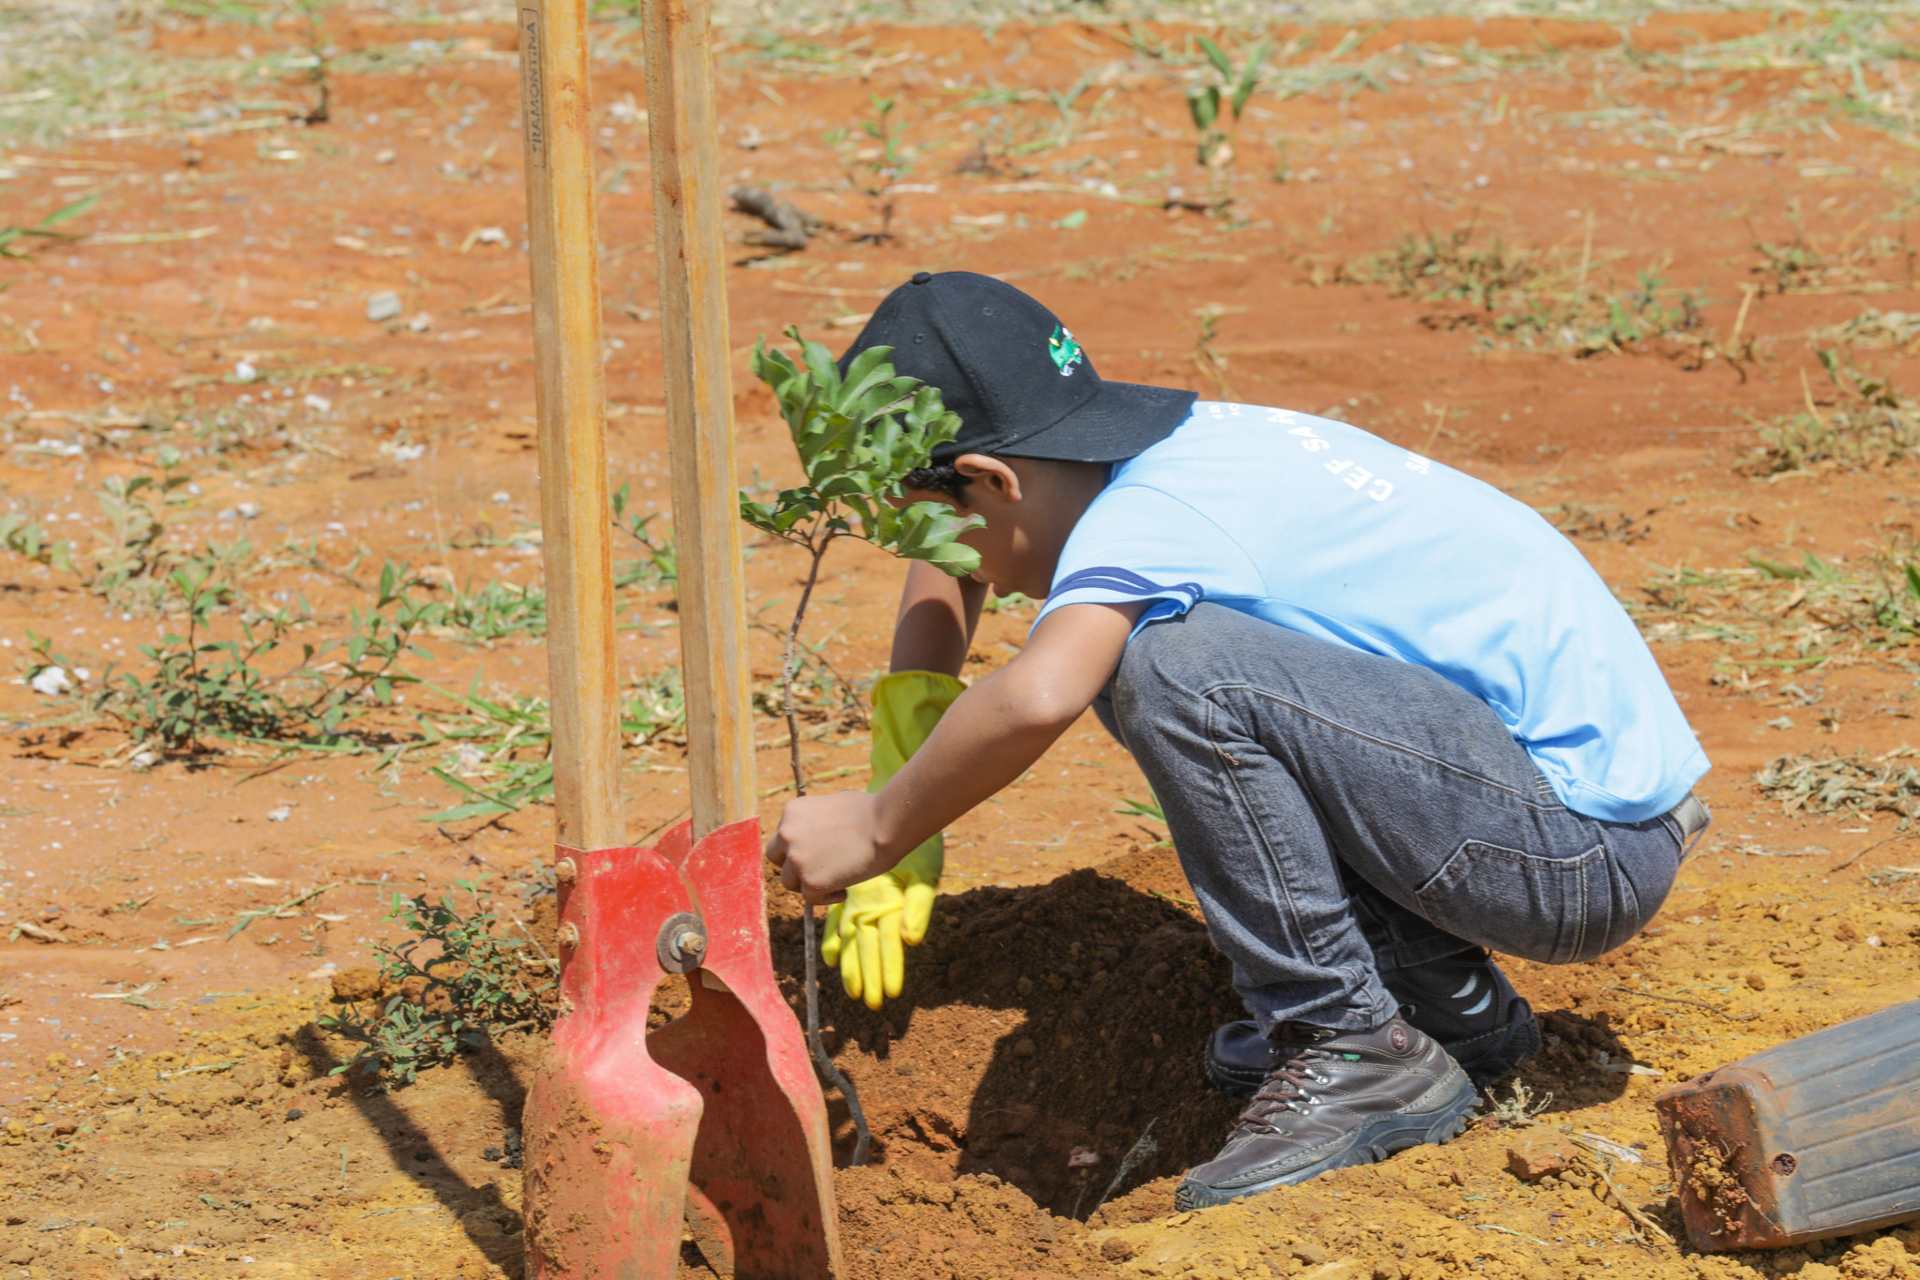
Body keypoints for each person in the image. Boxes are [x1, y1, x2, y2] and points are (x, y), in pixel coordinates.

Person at [763, 270, 1711, 1209]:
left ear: (992, 479)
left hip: (1571, 856)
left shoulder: (1149, 526)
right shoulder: (1187, 451)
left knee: (1166, 666)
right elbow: (956, 556)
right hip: (1545, 812)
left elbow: (1040, 694)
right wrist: (912, 725)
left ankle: (1343, 1039)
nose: (975, 578)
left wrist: (884, 823)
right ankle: (1436, 1002)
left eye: (938, 530)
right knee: (1170, 650)